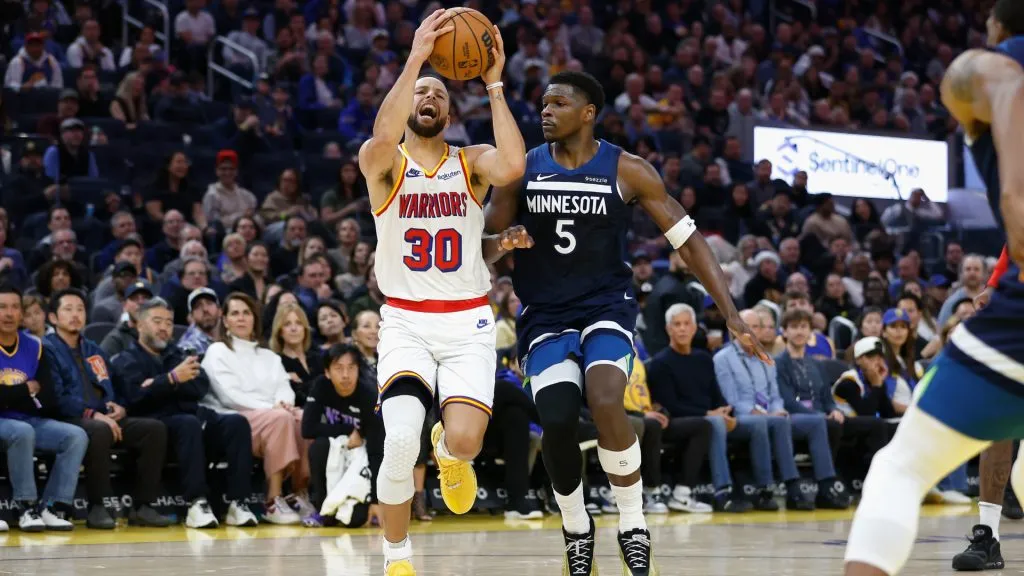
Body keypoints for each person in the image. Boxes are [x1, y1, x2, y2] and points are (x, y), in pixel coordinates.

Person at [486, 70, 768, 575]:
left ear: (588, 113)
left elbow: (688, 240)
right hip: (544, 313)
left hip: (606, 307)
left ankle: (633, 525)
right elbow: (481, 245)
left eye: (558, 103)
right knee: (556, 420)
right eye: (543, 103)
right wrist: (502, 242)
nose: (545, 111)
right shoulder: (521, 169)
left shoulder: (628, 170)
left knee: (605, 399)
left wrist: (730, 313)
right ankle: (577, 528)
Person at [844, 3, 1024, 574]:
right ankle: (987, 533)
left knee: (899, 469)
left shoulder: (988, 68)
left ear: (997, 27)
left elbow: (1015, 192)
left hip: (1016, 323)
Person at [355, 11, 529, 576]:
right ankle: (397, 557)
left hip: (467, 322)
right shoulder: (383, 165)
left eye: (439, 93)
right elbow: (382, 136)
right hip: (405, 322)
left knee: (467, 441)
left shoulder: (470, 164)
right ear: (406, 103)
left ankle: (451, 452)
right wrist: (415, 59)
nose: (428, 97)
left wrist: (494, 83)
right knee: (399, 441)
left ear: (449, 114)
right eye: (420, 92)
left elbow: (514, 164)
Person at [111, 298, 258, 529]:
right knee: (188, 423)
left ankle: (239, 502)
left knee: (236, 423)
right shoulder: (125, 360)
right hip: (157, 423)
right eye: (157, 321)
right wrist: (171, 379)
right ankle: (196, 503)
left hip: (193, 416)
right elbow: (135, 398)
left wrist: (157, 384)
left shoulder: (178, 354)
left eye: (169, 322)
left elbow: (200, 386)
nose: (164, 327)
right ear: (139, 325)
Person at [44, 289, 172, 530]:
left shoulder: (93, 349)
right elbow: (55, 398)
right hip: (68, 418)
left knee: (153, 429)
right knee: (99, 430)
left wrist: (120, 407)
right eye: (68, 309)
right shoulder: (47, 349)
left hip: (104, 416)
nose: (75, 315)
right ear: (53, 317)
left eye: (80, 309)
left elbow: (116, 383)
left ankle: (143, 506)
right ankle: (98, 507)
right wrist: (93, 414)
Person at [200, 293, 313, 525]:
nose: (241, 318)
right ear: (225, 320)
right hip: (232, 418)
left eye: (246, 313)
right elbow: (228, 395)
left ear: (255, 319)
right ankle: (273, 499)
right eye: (235, 313)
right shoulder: (217, 351)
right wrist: (272, 408)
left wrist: (284, 404)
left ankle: (298, 493)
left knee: (304, 418)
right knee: (281, 419)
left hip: (271, 414)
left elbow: (283, 387)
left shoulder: (269, 356)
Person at [0, 284, 88, 532]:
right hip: (10, 424)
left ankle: (51, 507)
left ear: (22, 313)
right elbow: (30, 394)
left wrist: (8, 395)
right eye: (2, 307)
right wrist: (24, 391)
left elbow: (48, 397)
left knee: (75, 436)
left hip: (29, 419)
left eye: (15, 307)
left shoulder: (35, 346)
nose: (9, 313)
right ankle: (26, 507)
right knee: (21, 432)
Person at [302, 343, 382, 527]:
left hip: (363, 456)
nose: (345, 375)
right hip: (336, 451)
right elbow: (307, 429)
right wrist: (347, 429)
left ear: (358, 370)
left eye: (351, 368)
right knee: (319, 446)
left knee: (355, 520)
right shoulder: (321, 386)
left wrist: (376, 501)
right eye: (338, 368)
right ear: (327, 372)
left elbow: (377, 451)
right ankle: (321, 508)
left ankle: (362, 505)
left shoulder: (369, 395)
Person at [270, 302, 322, 405]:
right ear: (279, 331)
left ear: (305, 328)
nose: (294, 328)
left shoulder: (317, 358)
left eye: (299, 323)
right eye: (287, 324)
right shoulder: (276, 363)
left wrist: (302, 386)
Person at [100, 279, 154, 356]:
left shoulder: (159, 335)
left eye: (146, 298)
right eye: (135, 298)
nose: (141, 302)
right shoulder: (115, 340)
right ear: (125, 305)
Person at [177, 287, 221, 357]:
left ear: (220, 311)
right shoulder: (187, 346)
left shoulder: (232, 332)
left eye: (209, 303)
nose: (205, 309)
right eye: (198, 306)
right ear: (191, 317)